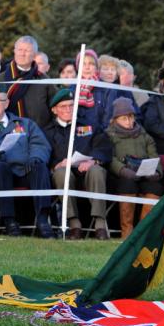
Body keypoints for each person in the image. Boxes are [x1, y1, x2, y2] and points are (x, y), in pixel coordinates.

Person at [44, 88, 111, 240]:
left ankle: (100, 225)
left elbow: (103, 146)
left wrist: (93, 160)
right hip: (64, 174)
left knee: (97, 171)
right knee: (61, 173)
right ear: (54, 110)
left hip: (87, 170)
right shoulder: (47, 131)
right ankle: (74, 225)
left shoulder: (89, 125)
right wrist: (55, 165)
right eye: (63, 106)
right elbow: (44, 155)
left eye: (71, 105)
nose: (68, 109)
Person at [0, 91, 54, 238]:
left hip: (24, 170)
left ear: (6, 103)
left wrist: (35, 157)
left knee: (39, 166)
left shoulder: (25, 123)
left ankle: (42, 220)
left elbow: (40, 144)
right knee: (0, 168)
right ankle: (9, 221)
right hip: (1, 174)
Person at [106, 97, 162, 240]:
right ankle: (127, 233)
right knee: (127, 184)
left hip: (144, 174)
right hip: (121, 176)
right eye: (124, 118)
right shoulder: (109, 135)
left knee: (154, 187)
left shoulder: (144, 135)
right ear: (115, 119)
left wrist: (156, 172)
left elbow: (154, 156)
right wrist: (123, 170)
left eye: (131, 117)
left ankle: (143, 233)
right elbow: (109, 158)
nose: (129, 122)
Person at [0, 36, 57, 129]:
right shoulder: (1, 79)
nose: (22, 54)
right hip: (8, 135)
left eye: (27, 50)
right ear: (15, 51)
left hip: (40, 135)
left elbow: (56, 109)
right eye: (20, 49)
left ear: (34, 54)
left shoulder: (43, 80)